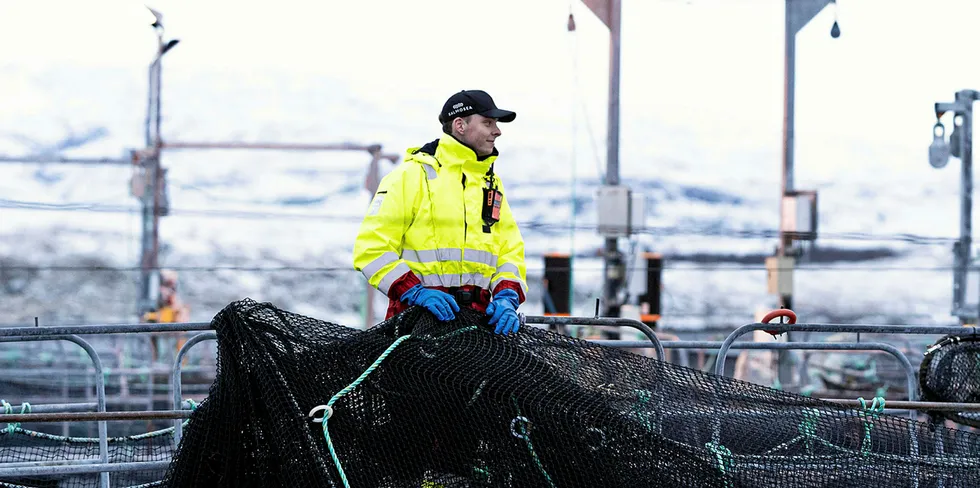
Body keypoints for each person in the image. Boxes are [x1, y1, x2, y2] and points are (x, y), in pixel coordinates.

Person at [353, 89, 527, 335]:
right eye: (488, 123)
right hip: (415, 327)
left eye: (496, 124)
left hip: (479, 328)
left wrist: (506, 295)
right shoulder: (411, 176)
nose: (497, 131)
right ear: (460, 125)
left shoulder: (490, 184)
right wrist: (415, 292)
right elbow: (371, 250)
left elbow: (510, 252)